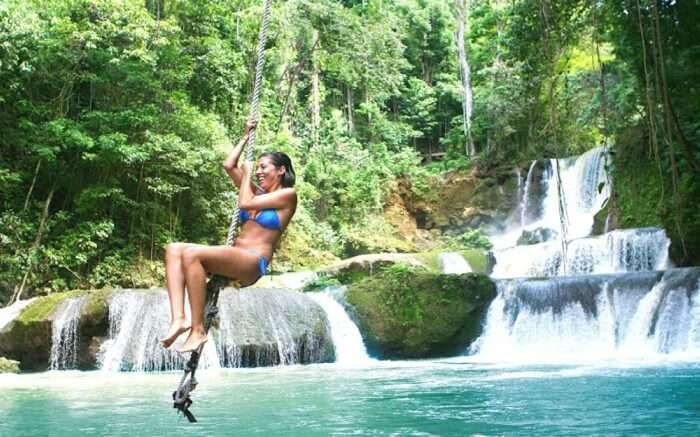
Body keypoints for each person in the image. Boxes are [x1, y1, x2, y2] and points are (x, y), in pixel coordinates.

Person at [159, 120, 297, 352]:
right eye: (259, 167)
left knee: (192, 254)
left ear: (281, 170)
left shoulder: (288, 196)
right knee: (173, 249)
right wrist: (245, 137)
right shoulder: (255, 192)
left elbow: (245, 202)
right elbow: (228, 165)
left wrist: (248, 173)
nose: (260, 172)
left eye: (265, 167)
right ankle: (179, 320)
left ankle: (198, 331)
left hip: (253, 261)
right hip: (235, 255)